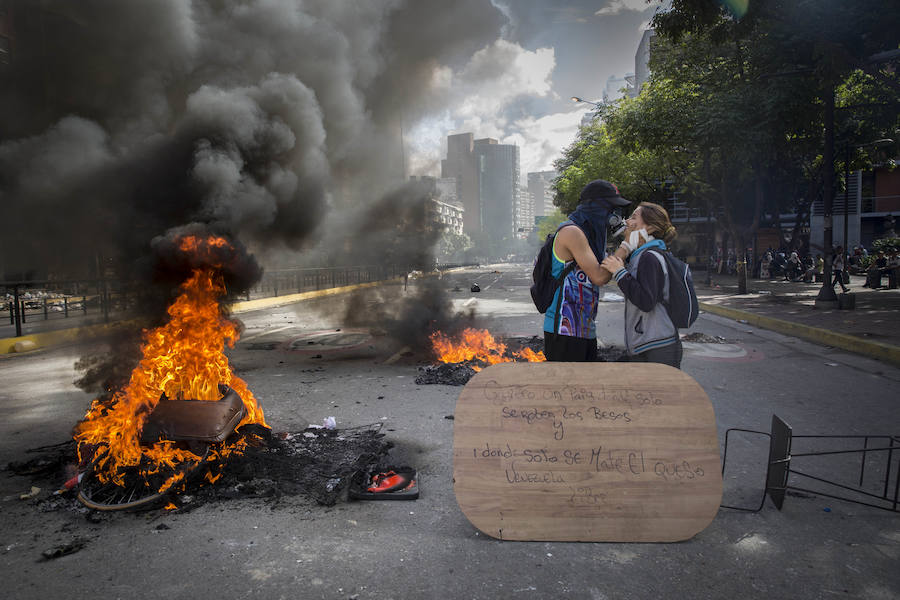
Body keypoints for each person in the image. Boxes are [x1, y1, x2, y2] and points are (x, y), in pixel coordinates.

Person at [543, 179, 630, 362]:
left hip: (583, 329)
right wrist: (626, 246)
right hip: (564, 330)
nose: (614, 215)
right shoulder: (572, 232)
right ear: (595, 207)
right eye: (611, 208)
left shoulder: (589, 234)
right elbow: (599, 276)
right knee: (567, 389)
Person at [601, 202, 683, 368]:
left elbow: (646, 301)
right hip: (647, 342)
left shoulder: (650, 257)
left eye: (634, 217)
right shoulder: (642, 255)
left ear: (650, 228)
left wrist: (620, 272)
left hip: (657, 345)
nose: (627, 222)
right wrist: (625, 245)